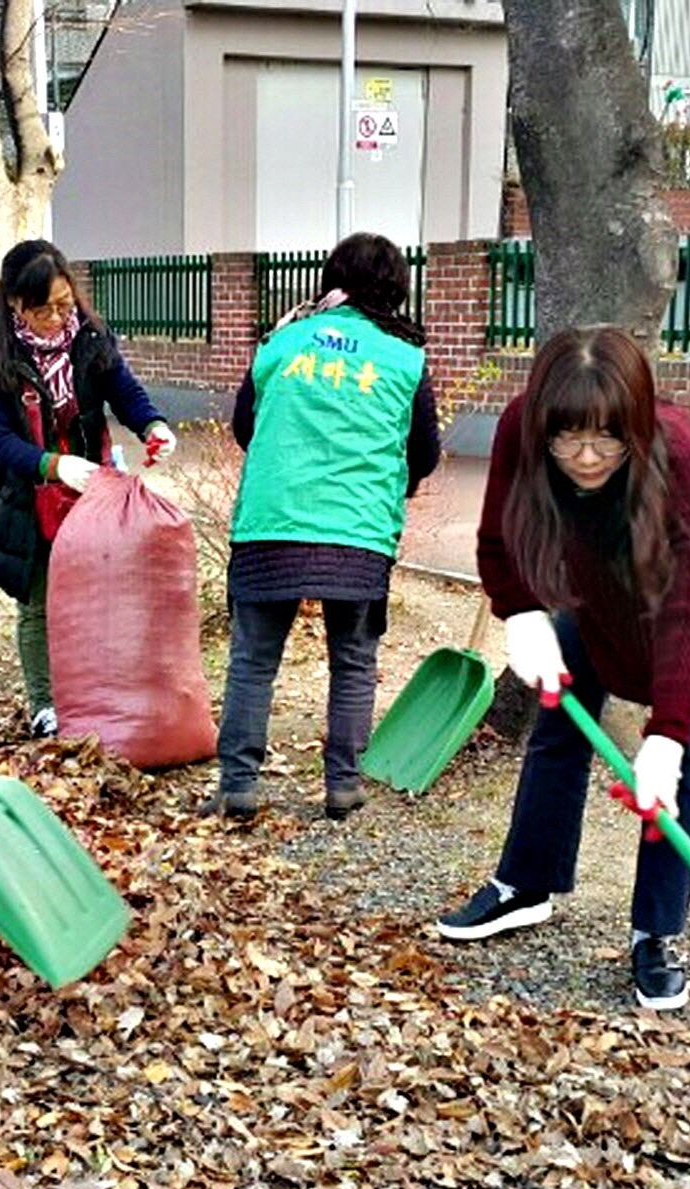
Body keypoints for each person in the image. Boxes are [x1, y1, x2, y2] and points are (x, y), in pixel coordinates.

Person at [435, 326, 690, 1013]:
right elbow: (499, 537)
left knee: (681, 771)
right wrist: (522, 613)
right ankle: (524, 887)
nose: (586, 458)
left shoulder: (681, 457)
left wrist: (666, 735)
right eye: (568, 441)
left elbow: (687, 612)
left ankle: (655, 933)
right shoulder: (521, 431)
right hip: (600, 586)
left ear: (636, 426)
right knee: (559, 726)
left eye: (607, 441)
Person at [213, 233, 441, 822]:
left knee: (253, 662)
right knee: (354, 661)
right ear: (395, 288)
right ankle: (342, 784)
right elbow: (426, 451)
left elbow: (246, 427)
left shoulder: (281, 342)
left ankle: (238, 785)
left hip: (272, 523)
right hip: (359, 530)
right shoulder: (405, 358)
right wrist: (395, 481)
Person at [0, 240, 177, 736]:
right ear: (16, 303)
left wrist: (152, 424)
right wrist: (50, 465)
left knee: (97, 588)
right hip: (25, 491)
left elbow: (122, 389)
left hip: (91, 487)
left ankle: (95, 688)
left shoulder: (89, 337)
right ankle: (45, 704)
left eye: (65, 304)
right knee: (38, 601)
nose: (59, 317)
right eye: (45, 310)